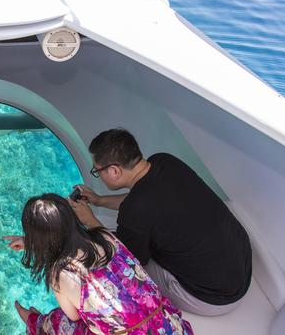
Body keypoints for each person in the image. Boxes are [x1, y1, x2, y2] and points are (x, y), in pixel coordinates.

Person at [73, 128, 252, 316]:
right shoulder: (165, 161)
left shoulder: (135, 210)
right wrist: (100, 200)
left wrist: (91, 221)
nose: (98, 175)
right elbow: (140, 199)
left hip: (213, 297)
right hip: (241, 264)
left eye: (97, 171)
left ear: (114, 170)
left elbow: (127, 261)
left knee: (121, 270)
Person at [4, 194, 192, 335]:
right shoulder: (104, 236)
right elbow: (76, 247)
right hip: (169, 326)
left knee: (59, 321)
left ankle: (32, 322)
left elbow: (74, 317)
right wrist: (32, 243)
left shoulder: (62, 273)